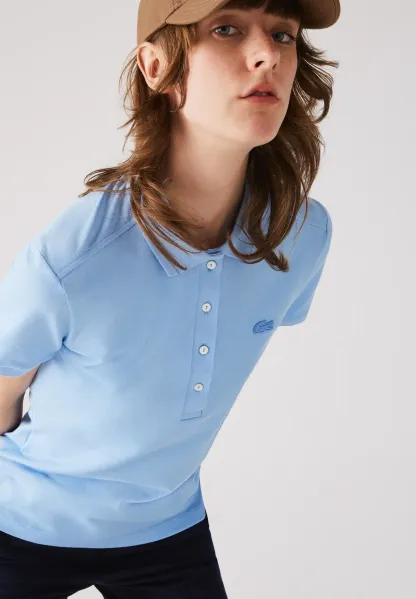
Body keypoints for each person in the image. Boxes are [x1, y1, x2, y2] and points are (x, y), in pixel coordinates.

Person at [0, 0, 340, 596]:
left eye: (283, 34)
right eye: (227, 29)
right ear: (157, 67)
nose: (266, 54)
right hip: (19, 524)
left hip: (166, 528)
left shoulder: (300, 237)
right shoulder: (78, 253)